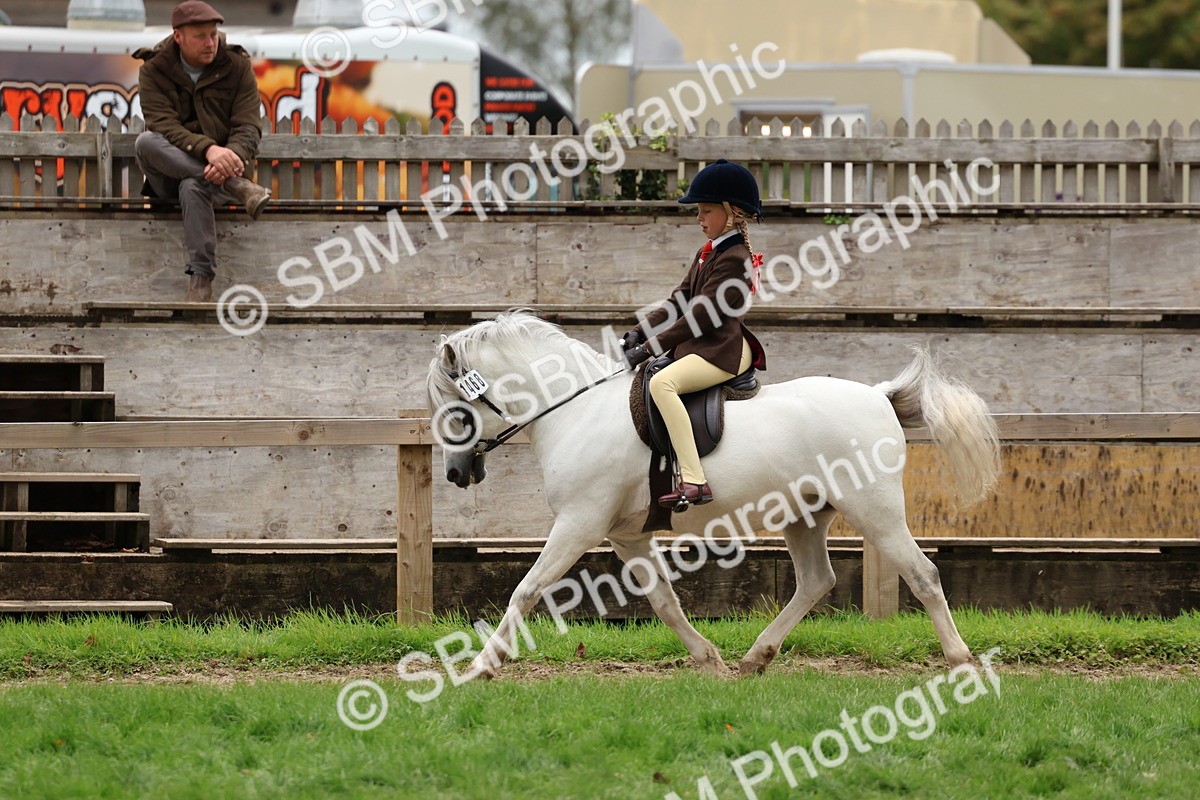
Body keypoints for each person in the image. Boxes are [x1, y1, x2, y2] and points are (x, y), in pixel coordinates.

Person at [622, 158, 768, 509]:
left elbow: (699, 317)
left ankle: (695, 480)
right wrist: (638, 332)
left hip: (722, 347)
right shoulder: (708, 253)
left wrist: (649, 348)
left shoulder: (735, 258)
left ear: (732, 212)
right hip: (704, 342)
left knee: (662, 383)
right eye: (698, 211)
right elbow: (678, 301)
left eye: (706, 211)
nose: (699, 218)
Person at [132, 0, 270, 302]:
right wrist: (210, 152)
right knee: (145, 143)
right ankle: (239, 187)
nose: (211, 43)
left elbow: (248, 127)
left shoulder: (237, 66)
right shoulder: (154, 69)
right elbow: (163, 125)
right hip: (171, 178)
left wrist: (229, 157)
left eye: (213, 34)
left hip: (214, 179)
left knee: (194, 184)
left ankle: (201, 281)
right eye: (201, 37)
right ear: (178, 37)